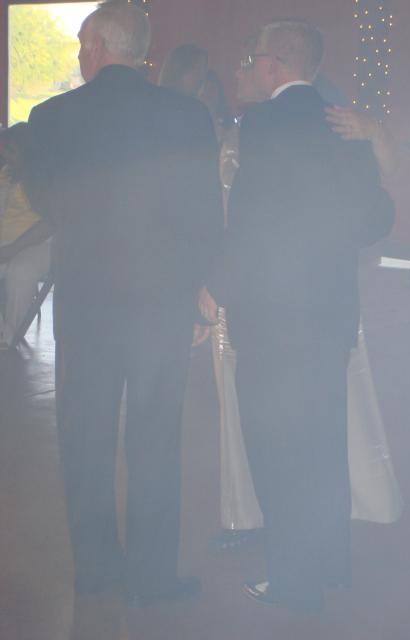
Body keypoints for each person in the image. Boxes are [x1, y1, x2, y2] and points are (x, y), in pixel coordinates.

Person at [24, 1, 223, 606]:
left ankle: (97, 572)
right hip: (163, 303)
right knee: (156, 441)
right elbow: (205, 212)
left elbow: (43, 199)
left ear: (98, 48)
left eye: (82, 43)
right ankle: (153, 579)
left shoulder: (52, 116)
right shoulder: (186, 115)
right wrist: (202, 293)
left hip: (87, 304)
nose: (80, 53)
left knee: (85, 441)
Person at [207, 20, 394, 611]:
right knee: (321, 443)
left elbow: (250, 222)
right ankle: (330, 562)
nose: (244, 70)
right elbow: (376, 221)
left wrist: (216, 288)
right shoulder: (346, 124)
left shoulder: (262, 124)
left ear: (274, 65)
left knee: (277, 451)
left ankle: (294, 582)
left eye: (250, 60)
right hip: (329, 314)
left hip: (275, 318)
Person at [0, 123, 52, 348]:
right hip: (5, 242)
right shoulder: (5, 174)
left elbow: (50, 223)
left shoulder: (43, 180)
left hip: (37, 244)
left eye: (11, 151)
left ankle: (9, 335)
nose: (5, 155)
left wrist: (13, 249)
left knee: (20, 270)